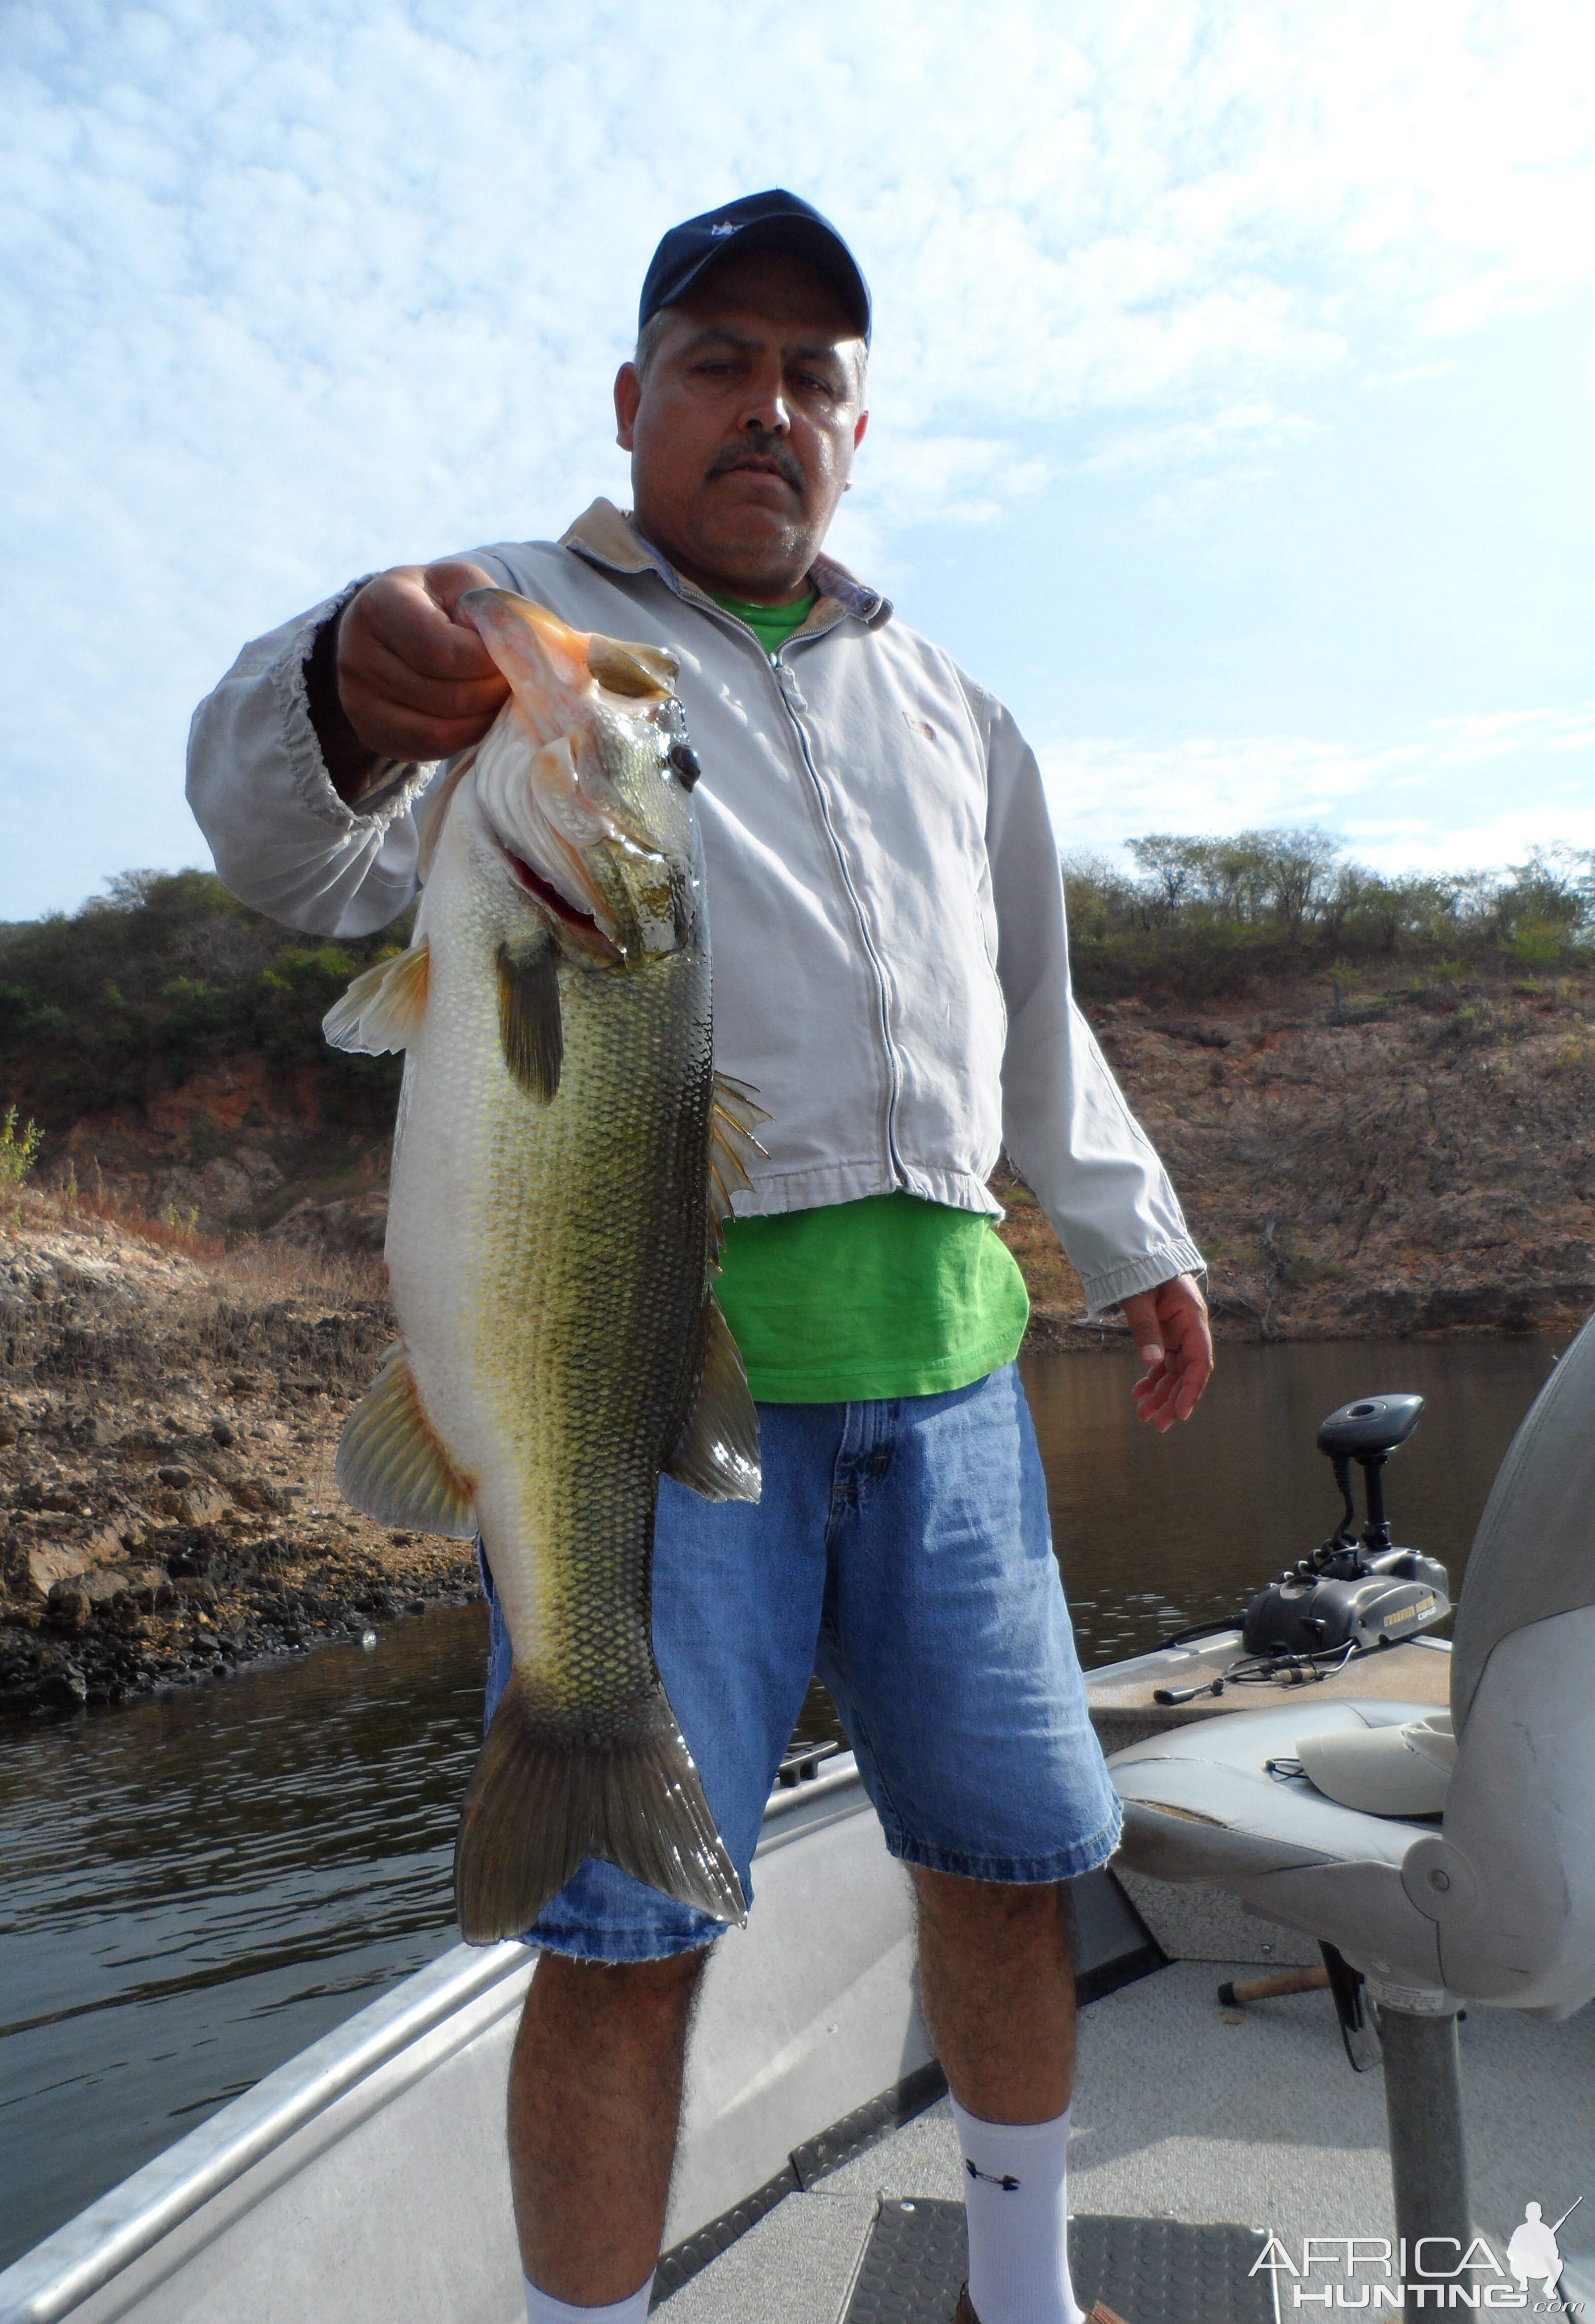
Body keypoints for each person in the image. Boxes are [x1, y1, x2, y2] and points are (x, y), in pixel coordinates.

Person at [188, 190, 1212, 2324]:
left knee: (1013, 1876)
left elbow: (1036, 1004)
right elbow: (294, 844)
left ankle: (1022, 2298)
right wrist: (345, 683)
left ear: (855, 428)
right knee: (624, 1947)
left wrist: (1140, 1243)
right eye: (722, 359)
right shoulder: (515, 629)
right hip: (641, 1391)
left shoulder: (949, 701)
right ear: (634, 396)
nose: (769, 406)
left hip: (953, 1384)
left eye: (812, 375)